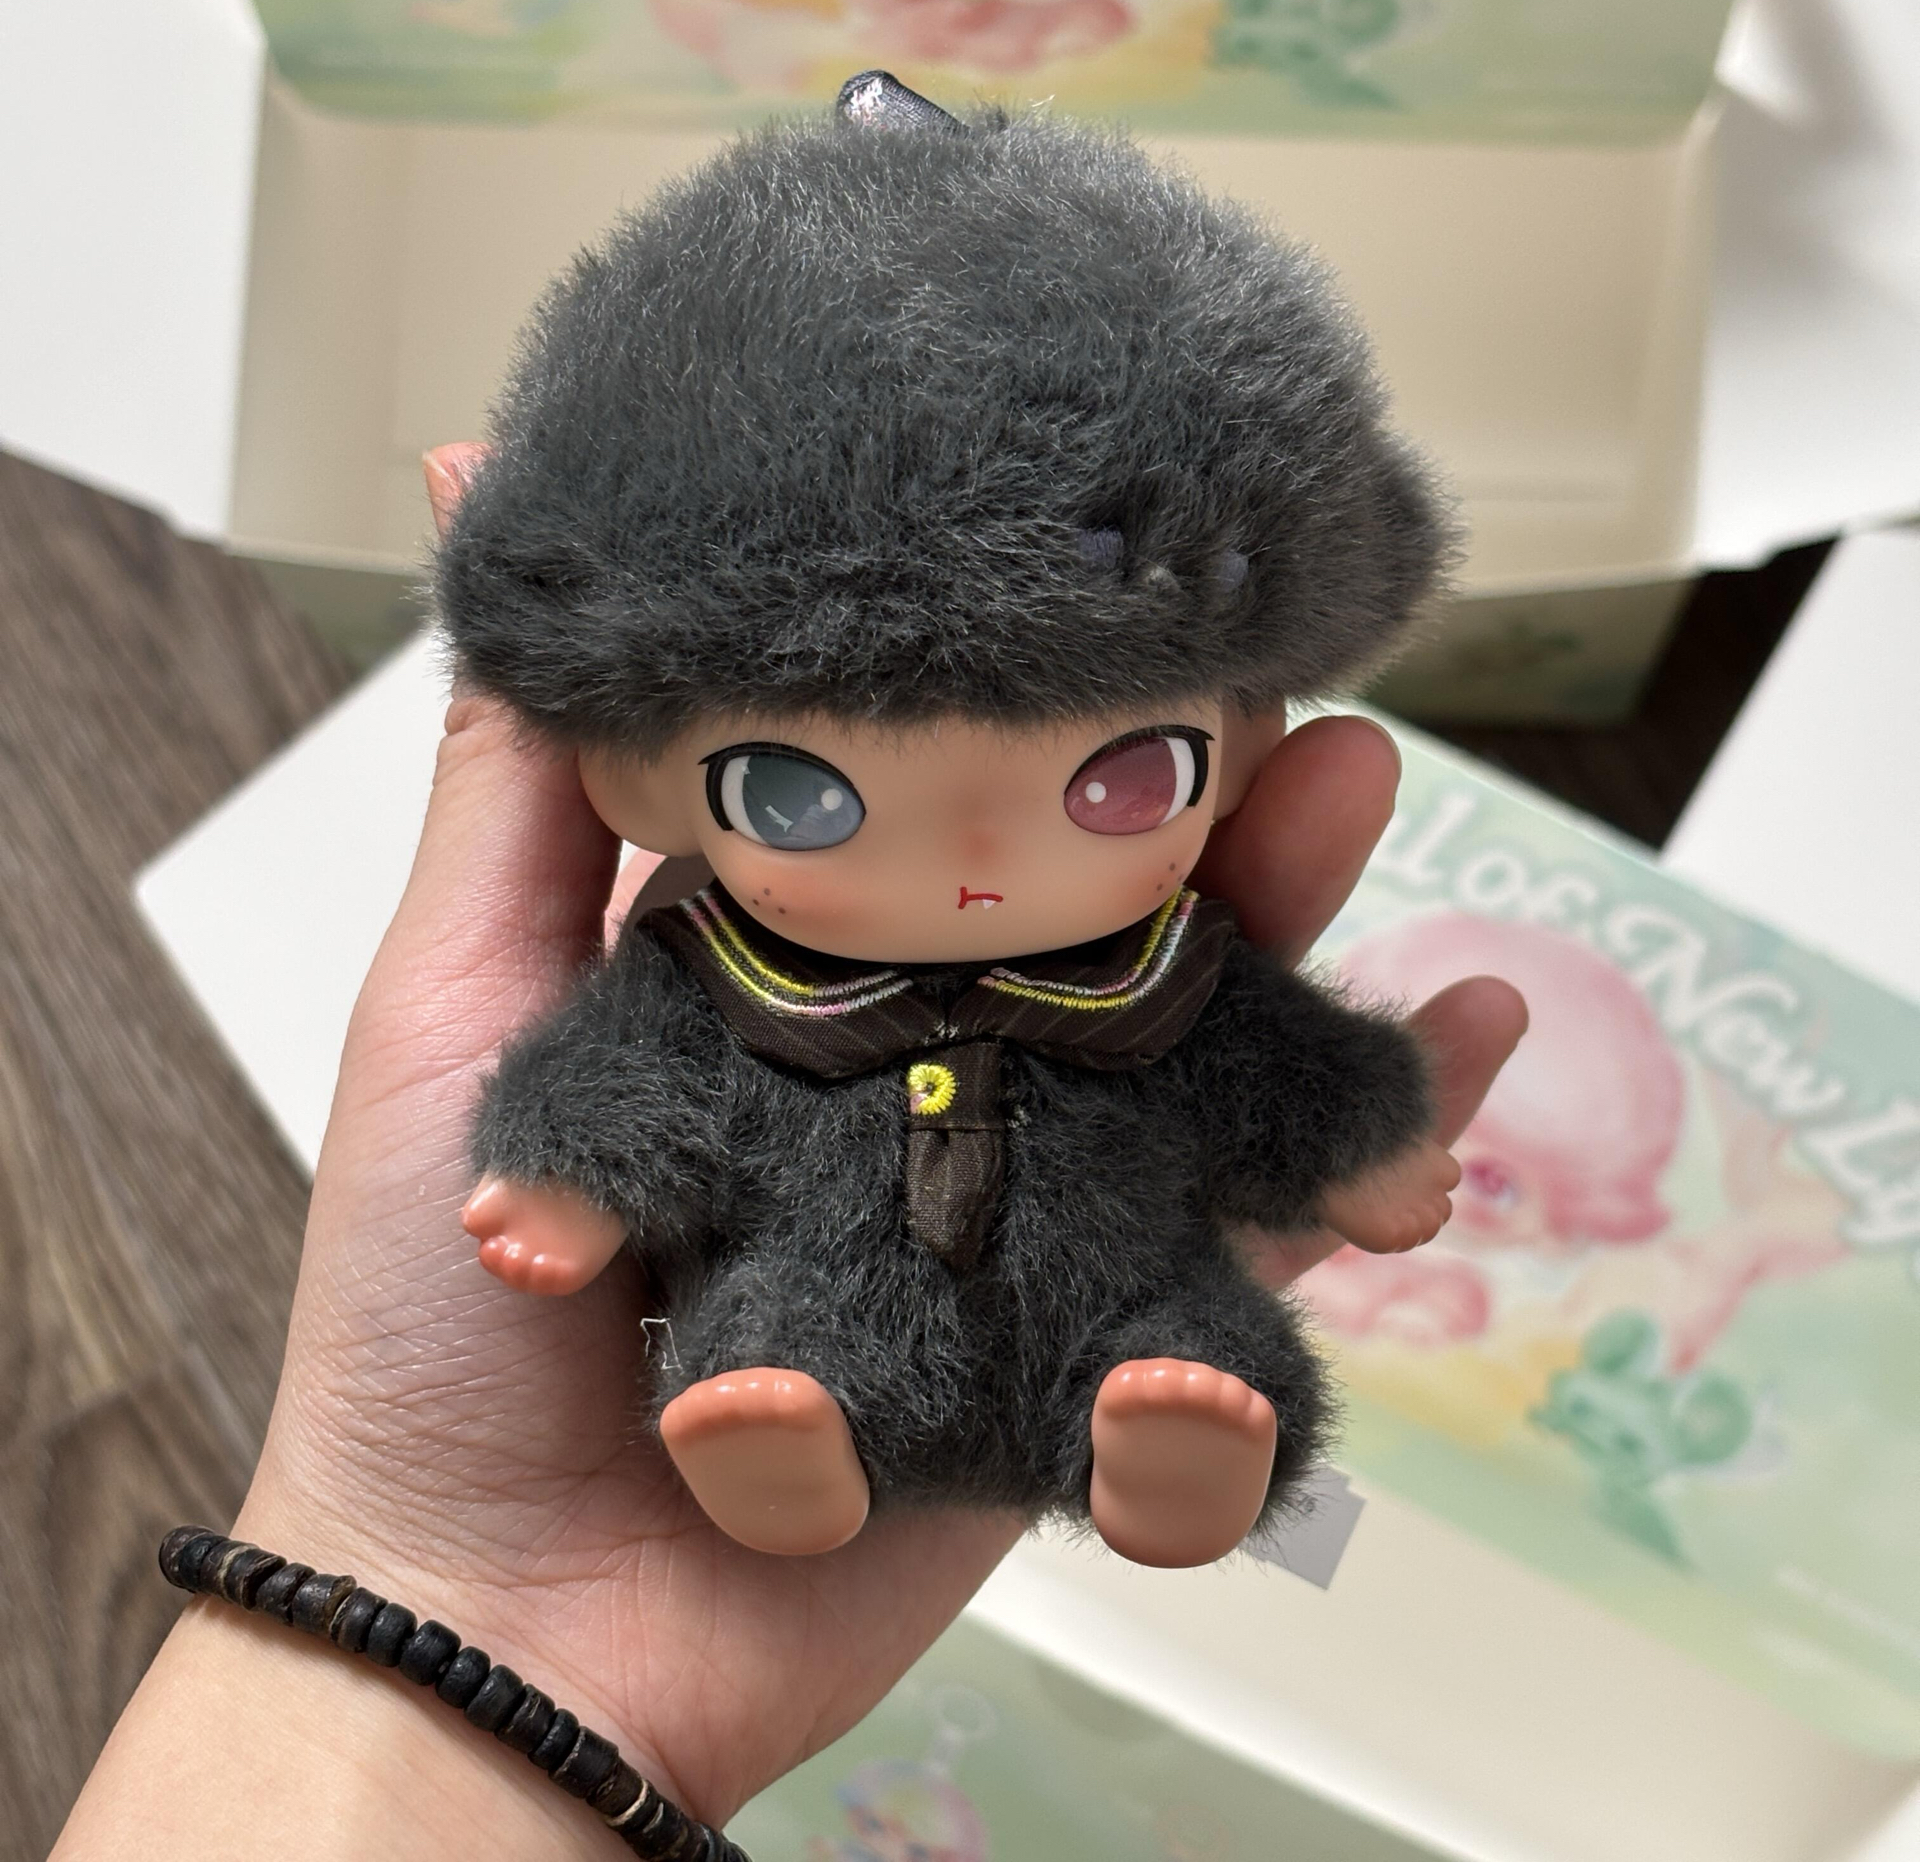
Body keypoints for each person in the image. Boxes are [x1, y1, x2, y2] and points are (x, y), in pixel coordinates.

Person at [50, 447, 1522, 1855]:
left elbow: (1281, 1076)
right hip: (821, 1311)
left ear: (1241, 748)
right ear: (641, 782)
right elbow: (631, 1079)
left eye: (1116, 783)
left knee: (1201, 1347)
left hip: (1122, 1303)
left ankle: (1163, 1451)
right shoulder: (715, 982)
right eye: (807, 798)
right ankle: (788, 1441)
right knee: (763, 1339)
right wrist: (572, 1179)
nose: (973, 864)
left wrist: (1360, 1147)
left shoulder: (1181, 975)